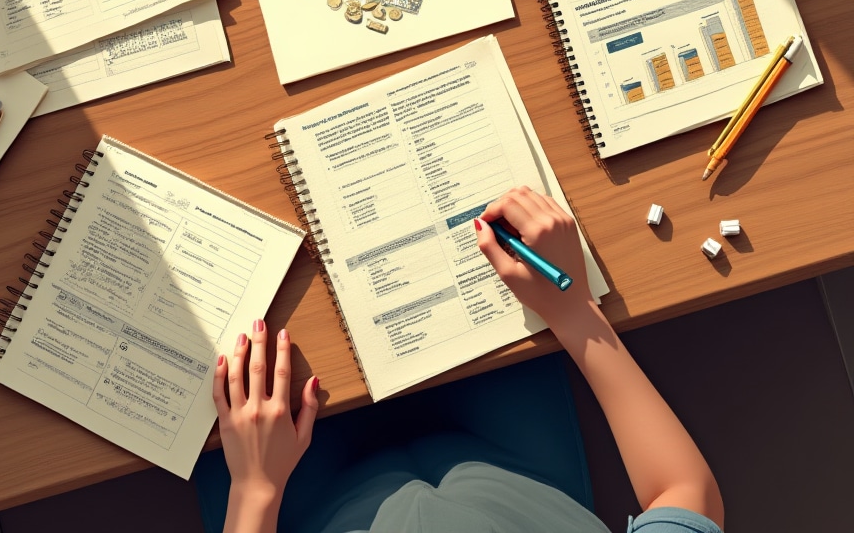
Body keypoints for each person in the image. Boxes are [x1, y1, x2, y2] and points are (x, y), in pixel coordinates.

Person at [210, 186, 725, 533]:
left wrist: (254, 489)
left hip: (303, 505)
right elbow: (686, 495)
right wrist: (575, 311)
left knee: (225, 358)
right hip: (518, 475)